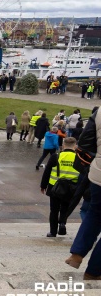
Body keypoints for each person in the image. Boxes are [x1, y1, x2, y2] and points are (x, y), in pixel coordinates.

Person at [66, 109, 101, 280]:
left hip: (98, 174)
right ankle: (94, 271)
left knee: (95, 214)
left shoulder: (99, 112)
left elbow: (85, 144)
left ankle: (77, 254)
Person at [40, 137, 79, 237]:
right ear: (75, 146)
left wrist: (43, 185)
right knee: (65, 208)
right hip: (72, 187)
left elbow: (47, 172)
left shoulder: (56, 156)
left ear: (63, 145)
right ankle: (62, 224)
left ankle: (53, 232)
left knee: (54, 210)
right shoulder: (78, 157)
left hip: (55, 187)